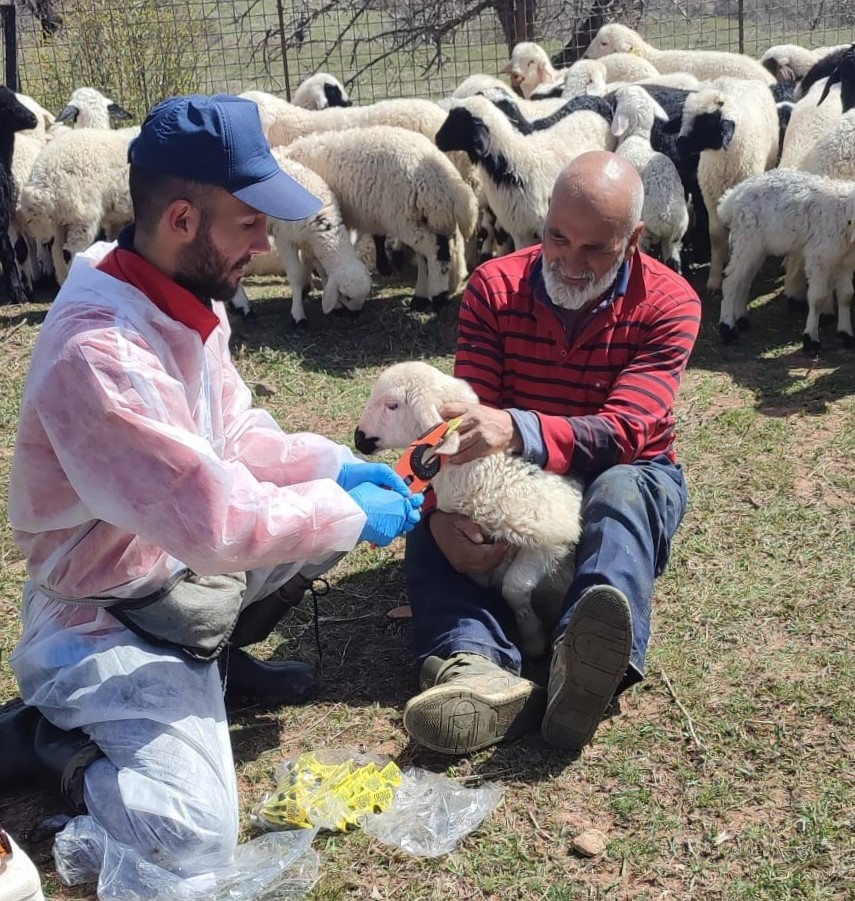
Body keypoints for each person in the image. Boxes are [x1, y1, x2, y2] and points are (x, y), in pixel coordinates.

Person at [0, 94, 422, 874]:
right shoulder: (102, 354)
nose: (266, 242)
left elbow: (236, 437)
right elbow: (214, 523)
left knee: (315, 521)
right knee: (192, 834)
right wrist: (337, 510)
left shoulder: (184, 299)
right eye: (250, 223)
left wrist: (333, 467)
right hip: (105, 606)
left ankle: (214, 659)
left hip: (169, 557)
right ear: (183, 220)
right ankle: (54, 737)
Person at [402, 151, 701, 756]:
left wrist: (517, 429)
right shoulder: (494, 287)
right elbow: (462, 425)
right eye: (557, 237)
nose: (568, 260)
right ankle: (475, 667)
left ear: (635, 239)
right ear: (543, 221)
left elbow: (625, 430)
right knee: (436, 517)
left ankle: (582, 660)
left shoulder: (669, 303)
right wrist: (440, 510)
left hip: (624, 467)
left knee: (621, 496)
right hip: (520, 477)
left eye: (596, 248)